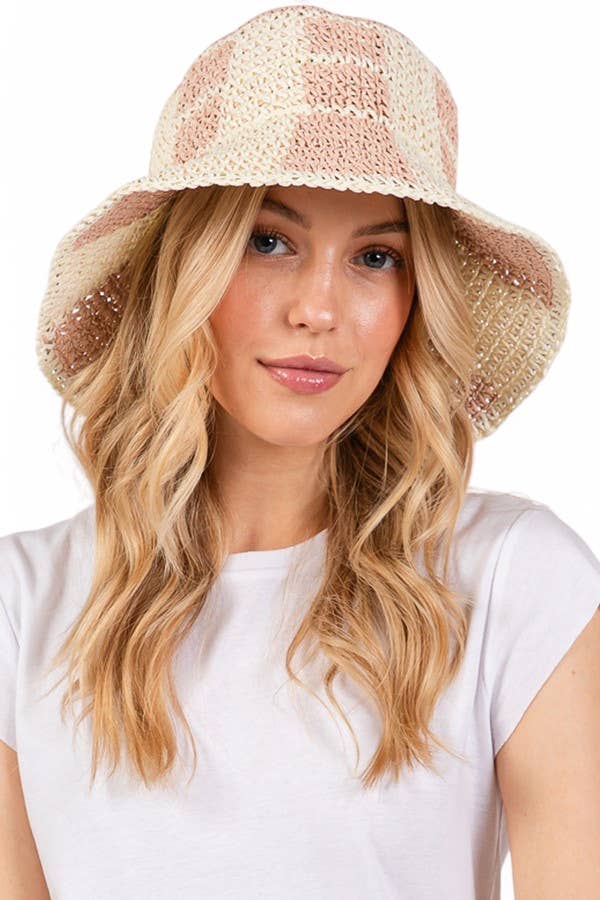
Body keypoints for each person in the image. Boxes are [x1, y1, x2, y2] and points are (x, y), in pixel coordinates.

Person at [2, 5, 599, 899]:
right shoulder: (24, 606)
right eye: (268, 241)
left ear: (416, 300)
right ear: (184, 267)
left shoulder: (513, 581)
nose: (319, 309)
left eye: (376, 257)